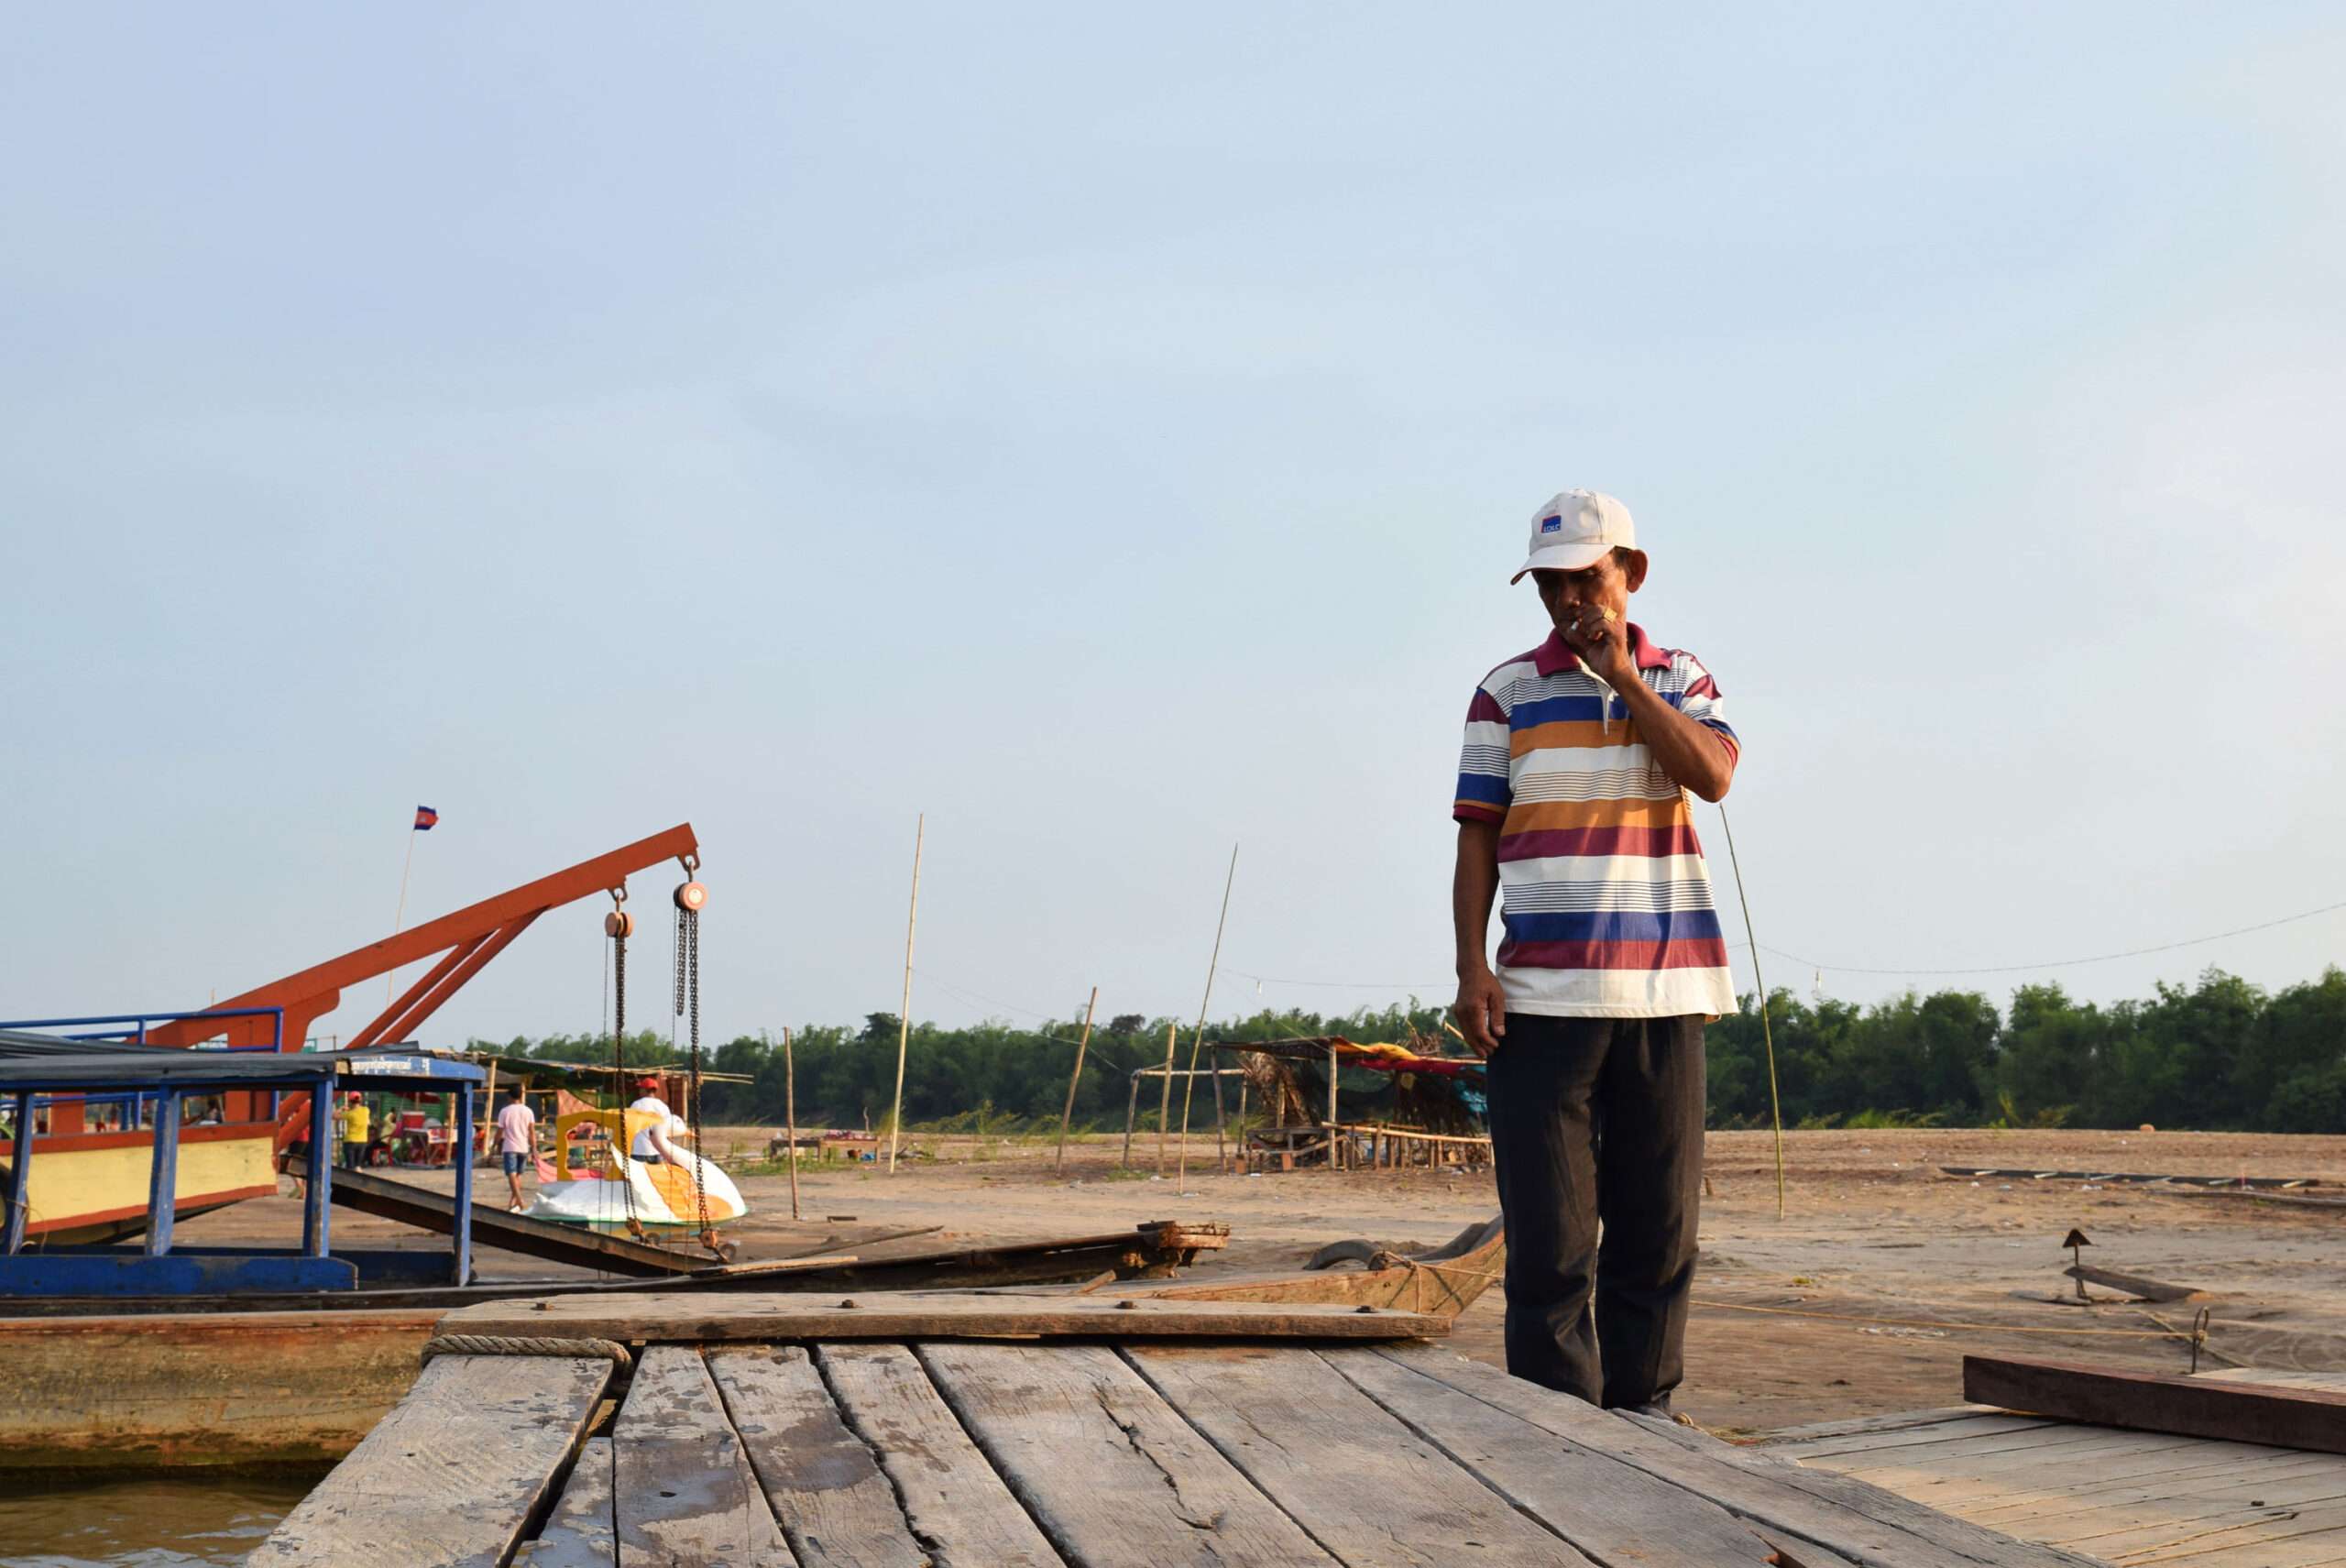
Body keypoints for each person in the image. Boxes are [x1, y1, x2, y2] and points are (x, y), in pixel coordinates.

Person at [1451, 488, 1739, 1417]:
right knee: (1550, 1244)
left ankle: (1647, 1419)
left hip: (1665, 996)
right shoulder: (1505, 693)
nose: (1571, 601)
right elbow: (1476, 841)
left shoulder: (1682, 676)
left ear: (1631, 574)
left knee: (1657, 1233)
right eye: (1551, 586)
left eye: (1588, 578)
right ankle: (1558, 1433)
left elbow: (1713, 775)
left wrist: (1623, 678)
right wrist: (1471, 969)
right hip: (1538, 1002)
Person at [495, 1084, 538, 1212]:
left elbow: (499, 1132)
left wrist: (494, 1147)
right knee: (519, 1174)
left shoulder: (505, 1111)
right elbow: (532, 1132)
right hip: (523, 1147)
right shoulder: (528, 1111)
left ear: (510, 1096)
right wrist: (534, 1148)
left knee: (511, 1173)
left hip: (510, 1147)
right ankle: (513, 1203)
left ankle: (519, 1199)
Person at [627, 1076, 687, 1166]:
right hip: (659, 1150)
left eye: (640, 1088)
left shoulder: (637, 1105)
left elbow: (629, 1126)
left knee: (639, 1178)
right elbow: (668, 1129)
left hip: (641, 1150)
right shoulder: (663, 1106)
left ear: (643, 1089)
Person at [335, 1092, 370, 1170]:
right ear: (360, 1101)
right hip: (362, 1141)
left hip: (350, 1142)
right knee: (358, 1166)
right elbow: (368, 1122)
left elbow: (333, 1116)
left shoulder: (349, 1114)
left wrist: (341, 1108)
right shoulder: (366, 1110)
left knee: (350, 1167)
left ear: (350, 1101)